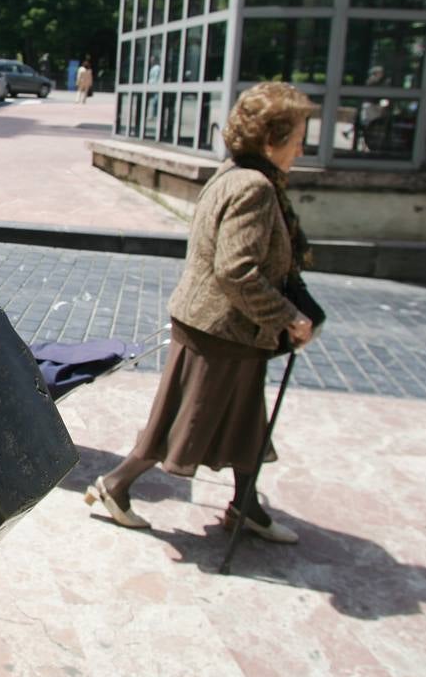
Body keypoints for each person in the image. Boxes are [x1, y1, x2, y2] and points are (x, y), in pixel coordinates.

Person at [85, 82, 319, 544]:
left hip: (219, 326)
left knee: (245, 421)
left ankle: (244, 505)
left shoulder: (236, 173)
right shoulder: (253, 186)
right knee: (181, 422)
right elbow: (237, 270)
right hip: (222, 330)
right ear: (271, 138)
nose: (301, 146)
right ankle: (115, 485)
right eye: (297, 136)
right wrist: (288, 316)